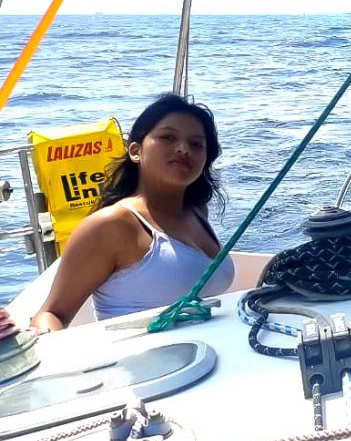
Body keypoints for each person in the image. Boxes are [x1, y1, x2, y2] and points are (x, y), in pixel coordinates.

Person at [31, 94, 234, 329]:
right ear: (136, 151)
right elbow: (52, 313)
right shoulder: (111, 225)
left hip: (211, 358)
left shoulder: (198, 212)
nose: (183, 149)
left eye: (196, 144)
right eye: (168, 138)